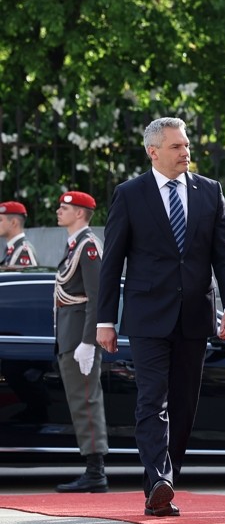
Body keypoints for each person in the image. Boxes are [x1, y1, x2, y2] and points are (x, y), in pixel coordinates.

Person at [96, 117, 225, 518]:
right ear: (153, 151)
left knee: (183, 405)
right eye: (177, 146)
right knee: (151, 399)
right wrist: (104, 320)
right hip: (147, 317)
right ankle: (160, 477)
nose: (186, 152)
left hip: (196, 316)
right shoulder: (130, 194)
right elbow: (111, 263)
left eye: (187, 145)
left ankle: (162, 485)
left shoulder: (210, 192)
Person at [53, 191, 108, 493]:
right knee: (80, 402)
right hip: (69, 337)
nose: (59, 211)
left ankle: (95, 472)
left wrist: (89, 341)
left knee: (87, 401)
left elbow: (97, 298)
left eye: (65, 208)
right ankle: (92, 468)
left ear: (80, 213)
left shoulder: (88, 247)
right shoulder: (73, 245)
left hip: (80, 341)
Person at [0, 201, 38, 267]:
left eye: (0, 220)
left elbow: (24, 277)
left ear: (13, 223)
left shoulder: (23, 251)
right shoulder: (12, 248)